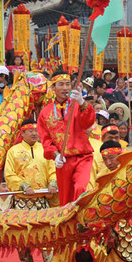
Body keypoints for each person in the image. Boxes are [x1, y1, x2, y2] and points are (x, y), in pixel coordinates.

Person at [4, 119, 58, 262]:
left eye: (36, 130)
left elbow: (52, 169)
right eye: (30, 131)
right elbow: (9, 174)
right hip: (22, 200)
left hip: (41, 199)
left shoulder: (45, 149)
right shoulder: (13, 151)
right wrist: (23, 186)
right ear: (22, 133)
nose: (35, 133)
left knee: (47, 234)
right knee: (22, 235)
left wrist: (53, 182)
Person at [37, 72, 95, 206]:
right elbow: (46, 140)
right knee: (65, 199)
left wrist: (82, 103)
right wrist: (55, 155)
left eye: (68, 84)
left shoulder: (78, 105)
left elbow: (88, 122)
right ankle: (69, 226)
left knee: (81, 188)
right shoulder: (45, 113)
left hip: (82, 157)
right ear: (53, 88)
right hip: (63, 161)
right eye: (61, 84)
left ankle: (81, 222)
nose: (65, 88)